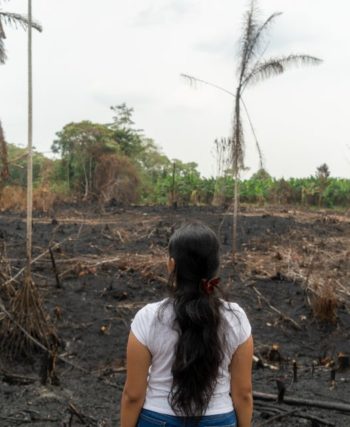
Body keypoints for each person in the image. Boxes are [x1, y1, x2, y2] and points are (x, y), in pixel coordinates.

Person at [120, 221, 253, 427]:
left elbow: (133, 395)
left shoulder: (147, 317)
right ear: (216, 266)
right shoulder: (236, 318)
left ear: (171, 265)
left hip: (157, 420)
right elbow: (243, 393)